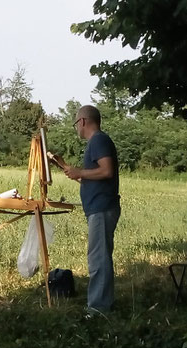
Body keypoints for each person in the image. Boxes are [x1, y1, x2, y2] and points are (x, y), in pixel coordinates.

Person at [62, 105, 120, 315]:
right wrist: (79, 174)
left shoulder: (98, 140)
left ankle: (98, 309)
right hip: (99, 208)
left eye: (76, 123)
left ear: (83, 121)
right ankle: (102, 303)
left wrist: (80, 172)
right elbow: (97, 175)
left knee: (99, 259)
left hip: (102, 209)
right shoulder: (97, 142)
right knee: (99, 256)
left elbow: (106, 171)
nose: (76, 128)